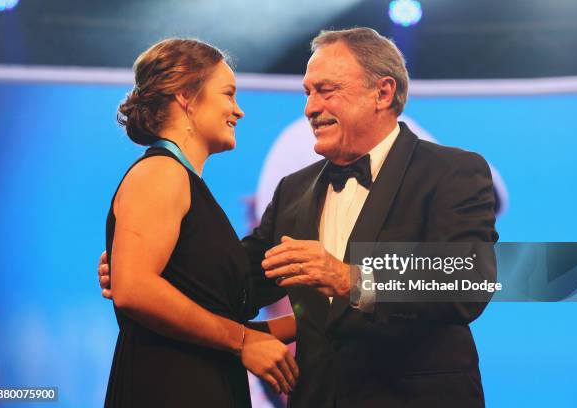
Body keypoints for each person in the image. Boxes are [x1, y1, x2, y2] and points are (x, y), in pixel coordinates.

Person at [100, 28, 498, 407]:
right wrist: (160, 266)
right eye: (307, 93)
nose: (311, 108)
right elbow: (238, 287)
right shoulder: (294, 191)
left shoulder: (451, 172)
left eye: (326, 91)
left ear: (383, 91)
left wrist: (348, 278)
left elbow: (468, 278)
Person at [102, 38, 298, 408]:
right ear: (186, 97)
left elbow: (215, 326)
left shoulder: (183, 183)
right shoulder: (161, 173)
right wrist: (241, 341)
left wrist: (315, 320)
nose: (238, 111)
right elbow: (133, 289)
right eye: (228, 94)